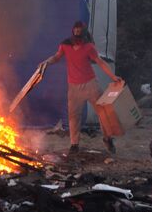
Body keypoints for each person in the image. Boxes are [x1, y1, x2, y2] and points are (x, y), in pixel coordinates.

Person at [41, 21, 121, 154]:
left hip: (90, 84)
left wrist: (112, 76)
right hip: (73, 87)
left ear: (83, 33)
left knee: (103, 112)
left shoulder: (89, 47)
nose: (77, 33)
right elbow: (56, 57)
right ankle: (74, 144)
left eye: (80, 31)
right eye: (75, 30)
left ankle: (107, 138)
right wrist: (46, 62)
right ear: (73, 31)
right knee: (73, 116)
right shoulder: (65, 45)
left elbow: (100, 62)